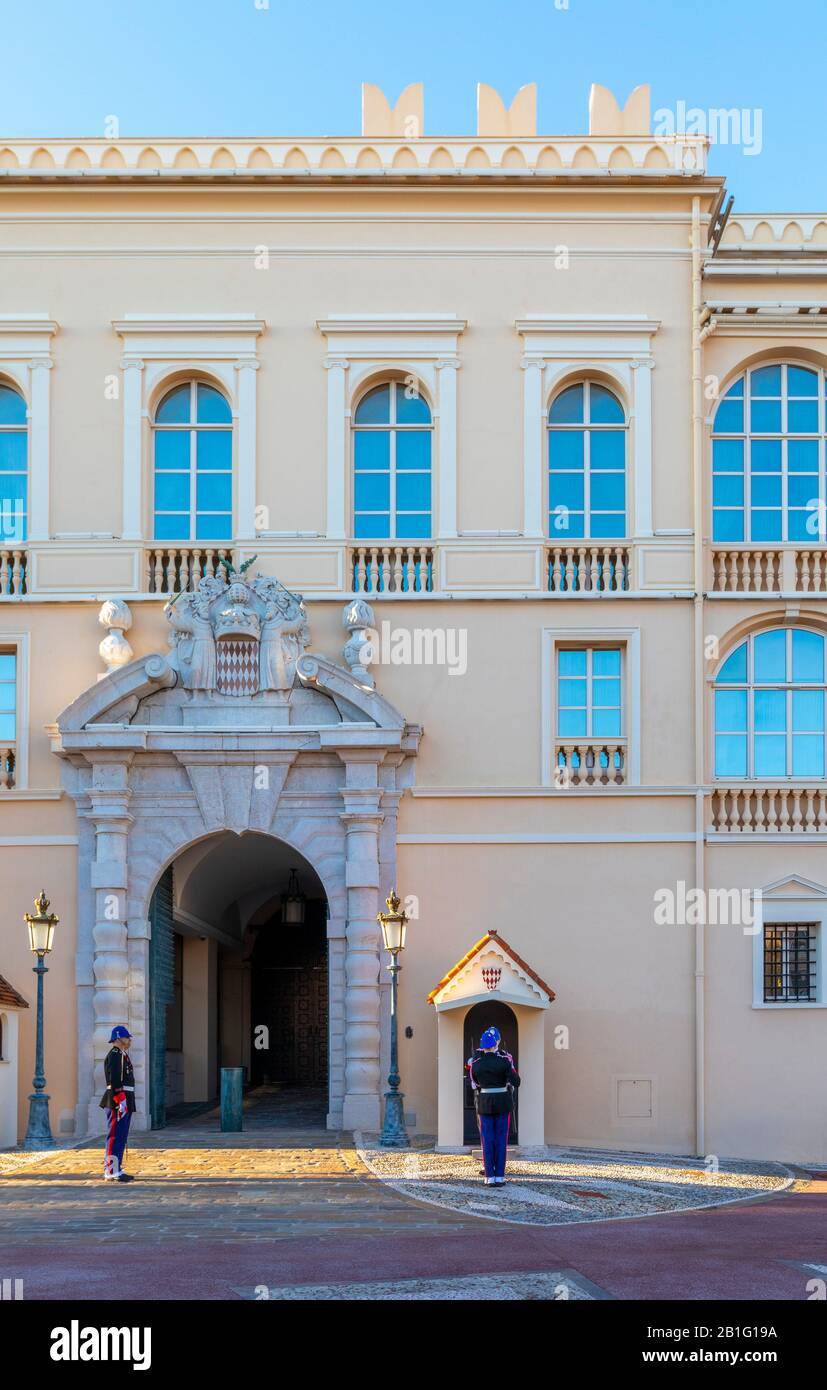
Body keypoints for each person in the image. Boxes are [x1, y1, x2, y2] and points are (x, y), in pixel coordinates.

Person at [469, 1026, 520, 1186]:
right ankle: (499, 1176)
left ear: (483, 1046)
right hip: (503, 1102)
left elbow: (475, 1083)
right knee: (501, 1139)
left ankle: (489, 1177)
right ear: (495, 1044)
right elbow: (516, 1081)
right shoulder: (504, 1061)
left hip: (485, 1102)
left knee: (487, 1138)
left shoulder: (476, 1064)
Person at [99, 1025, 137, 1183]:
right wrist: (121, 1100)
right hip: (117, 1099)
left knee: (121, 1135)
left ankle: (116, 1167)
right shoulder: (115, 1055)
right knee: (115, 1135)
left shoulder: (122, 1054)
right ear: (118, 1037)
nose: (128, 1040)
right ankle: (110, 1170)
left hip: (123, 1098)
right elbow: (114, 1080)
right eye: (126, 1037)